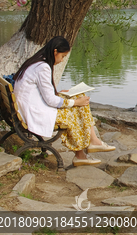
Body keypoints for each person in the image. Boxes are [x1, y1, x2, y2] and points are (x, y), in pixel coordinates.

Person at [13, 36, 115, 167]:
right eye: (62, 56)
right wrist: (75, 102)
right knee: (75, 109)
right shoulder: (42, 67)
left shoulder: (36, 62)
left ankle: (90, 144)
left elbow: (43, 93)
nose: (62, 60)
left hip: (30, 108)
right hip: (34, 113)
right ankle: (85, 151)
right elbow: (50, 100)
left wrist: (62, 95)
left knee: (79, 97)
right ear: (55, 52)